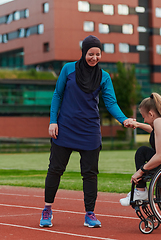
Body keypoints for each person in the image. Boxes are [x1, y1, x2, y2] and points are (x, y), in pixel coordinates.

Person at [40, 35, 132, 228]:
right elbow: (57, 95)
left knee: (90, 174)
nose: (94, 58)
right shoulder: (68, 69)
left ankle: (90, 214)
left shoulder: (104, 76)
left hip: (90, 130)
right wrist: (53, 121)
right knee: (55, 170)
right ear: (84, 52)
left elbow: (111, 102)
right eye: (91, 54)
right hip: (65, 127)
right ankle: (47, 209)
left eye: (98, 54)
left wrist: (123, 120)